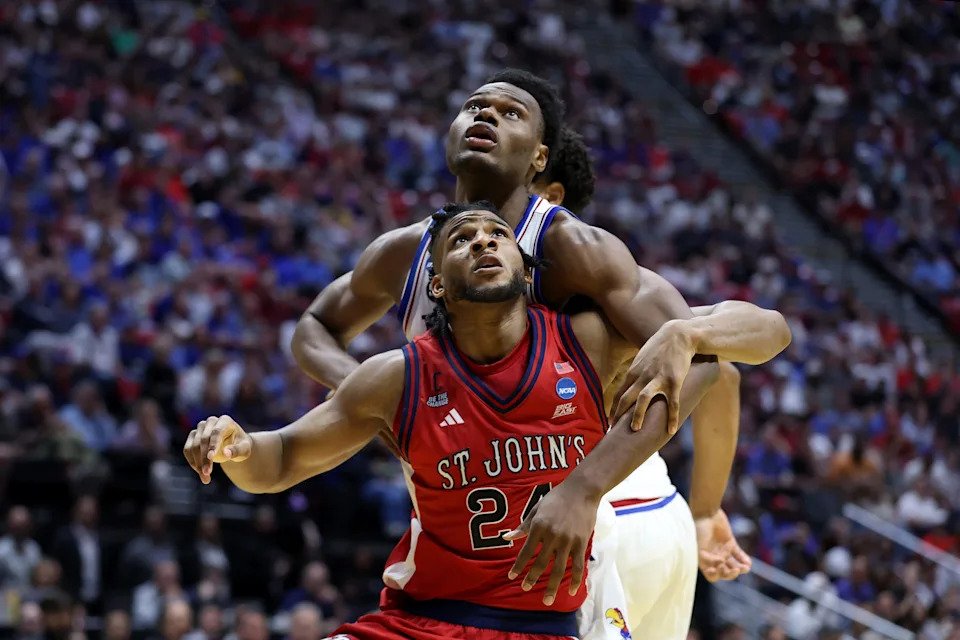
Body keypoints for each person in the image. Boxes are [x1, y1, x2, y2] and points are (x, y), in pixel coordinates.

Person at [291, 70, 787, 636]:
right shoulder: (408, 251)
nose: (484, 115)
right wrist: (363, 397)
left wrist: (598, 488)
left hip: (609, 508)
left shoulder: (570, 247)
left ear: (539, 160)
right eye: (474, 105)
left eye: (509, 113)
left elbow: (712, 364)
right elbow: (314, 327)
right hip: (506, 521)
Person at [186, 203, 721, 639]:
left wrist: (686, 333)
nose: (483, 242)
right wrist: (239, 447)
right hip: (420, 620)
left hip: (541, 626)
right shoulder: (396, 377)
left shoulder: (587, 341)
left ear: (525, 269)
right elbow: (283, 456)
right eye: (463, 239)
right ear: (437, 284)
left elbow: (750, 333)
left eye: (498, 235)